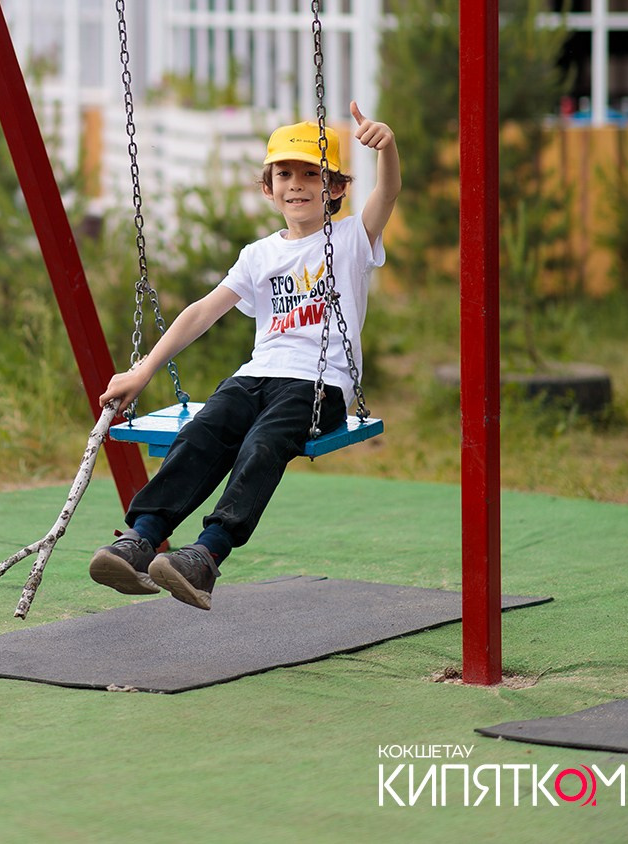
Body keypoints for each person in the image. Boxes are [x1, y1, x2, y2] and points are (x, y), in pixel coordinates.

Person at [89, 100, 401, 611]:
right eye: (285, 173)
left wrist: (386, 150)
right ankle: (140, 538)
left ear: (337, 188)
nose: (297, 184)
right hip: (256, 375)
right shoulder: (260, 254)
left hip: (319, 386)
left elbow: (388, 193)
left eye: (311, 174)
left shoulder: (349, 239)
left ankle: (205, 556)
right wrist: (142, 373)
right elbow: (201, 312)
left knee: (262, 445)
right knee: (202, 434)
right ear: (268, 187)